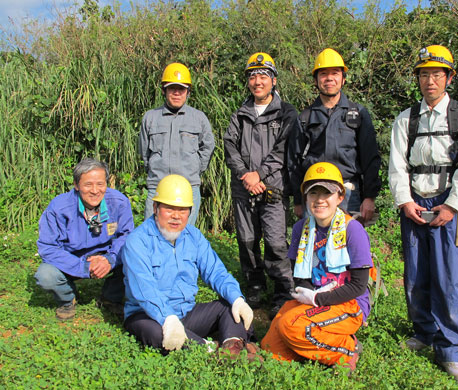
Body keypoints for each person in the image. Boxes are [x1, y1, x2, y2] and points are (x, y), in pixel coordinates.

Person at [388, 45, 458, 384]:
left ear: (449, 78)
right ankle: (424, 332)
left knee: (449, 277)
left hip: (447, 203)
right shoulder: (406, 118)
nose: (430, 80)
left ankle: (451, 349)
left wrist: (452, 205)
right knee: (416, 274)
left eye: (437, 74)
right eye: (425, 74)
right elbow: (396, 164)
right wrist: (404, 201)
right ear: (418, 78)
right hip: (414, 202)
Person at [122, 174, 258, 358]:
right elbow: (145, 290)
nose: (176, 216)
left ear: (190, 212)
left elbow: (215, 271)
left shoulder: (193, 236)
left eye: (183, 210)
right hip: (149, 316)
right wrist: (167, 319)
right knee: (156, 332)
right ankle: (207, 350)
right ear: (155, 208)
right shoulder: (137, 242)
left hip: (186, 312)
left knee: (229, 307)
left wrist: (237, 299)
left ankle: (232, 347)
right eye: (169, 208)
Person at [261, 162, 373, 374]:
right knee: (270, 346)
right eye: (314, 193)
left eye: (327, 193)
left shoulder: (353, 229)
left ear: (340, 197)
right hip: (316, 298)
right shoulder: (300, 229)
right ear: (306, 198)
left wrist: (317, 299)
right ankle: (314, 342)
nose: (320, 200)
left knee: (290, 327)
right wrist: (308, 295)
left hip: (348, 303)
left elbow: (359, 285)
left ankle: (347, 350)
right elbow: (299, 277)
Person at [224, 52, 296, 318]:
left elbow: (283, 149)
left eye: (263, 76)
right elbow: (229, 147)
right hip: (244, 189)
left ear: (273, 80)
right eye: (253, 76)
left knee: (277, 243)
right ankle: (254, 285)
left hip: (273, 189)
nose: (258, 81)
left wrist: (261, 175)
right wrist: (246, 175)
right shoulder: (240, 115)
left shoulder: (286, 113)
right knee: (247, 239)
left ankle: (282, 291)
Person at [287, 48, 381, 225]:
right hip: (315, 195)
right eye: (323, 74)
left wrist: (369, 197)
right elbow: (294, 162)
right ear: (316, 80)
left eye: (335, 73)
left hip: (349, 193)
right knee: (316, 249)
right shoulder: (305, 118)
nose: (329, 78)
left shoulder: (358, 114)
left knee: (348, 248)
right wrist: (299, 200)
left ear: (343, 78)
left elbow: (370, 158)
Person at [35, 158, 134, 320]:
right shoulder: (58, 208)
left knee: (134, 258)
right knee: (46, 275)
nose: (95, 191)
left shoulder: (119, 202)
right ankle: (68, 299)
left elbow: (127, 236)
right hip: (71, 259)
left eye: (100, 184)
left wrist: (109, 259)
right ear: (76, 185)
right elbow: (48, 248)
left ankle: (110, 298)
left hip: (106, 255)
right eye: (88, 185)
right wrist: (83, 266)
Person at [139, 62, 215, 225]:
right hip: (157, 188)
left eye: (181, 89)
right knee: (153, 236)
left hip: (188, 189)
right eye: (172, 88)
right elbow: (145, 153)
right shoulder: (150, 118)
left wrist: (194, 169)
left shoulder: (199, 118)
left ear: (188, 91)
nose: (176, 93)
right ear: (164, 90)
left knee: (183, 237)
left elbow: (207, 147)